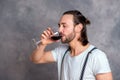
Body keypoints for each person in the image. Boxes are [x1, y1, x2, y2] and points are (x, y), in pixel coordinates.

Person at [31, 10, 113, 80]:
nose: (59, 30)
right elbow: (36, 59)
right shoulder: (62, 51)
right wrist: (43, 44)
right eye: (59, 26)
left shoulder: (96, 56)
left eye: (64, 26)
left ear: (79, 28)